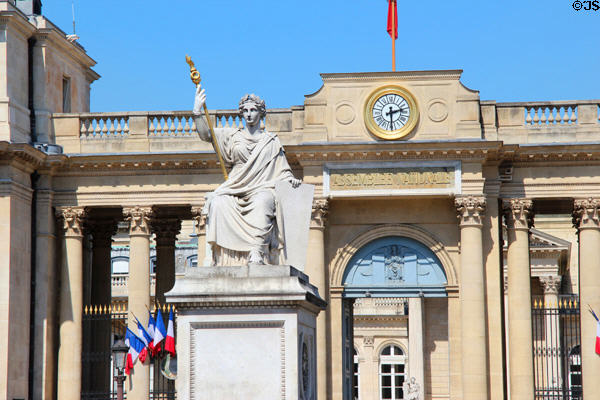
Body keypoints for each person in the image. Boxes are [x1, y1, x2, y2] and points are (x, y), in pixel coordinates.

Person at [193, 86, 301, 265]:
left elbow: (282, 170)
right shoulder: (231, 136)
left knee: (264, 201)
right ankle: (217, 256)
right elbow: (206, 135)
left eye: (253, 110)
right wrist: (197, 111)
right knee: (218, 202)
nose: (249, 114)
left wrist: (290, 180)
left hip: (262, 187)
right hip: (236, 186)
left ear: (261, 113)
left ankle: (256, 251)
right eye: (245, 111)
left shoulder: (271, 141)